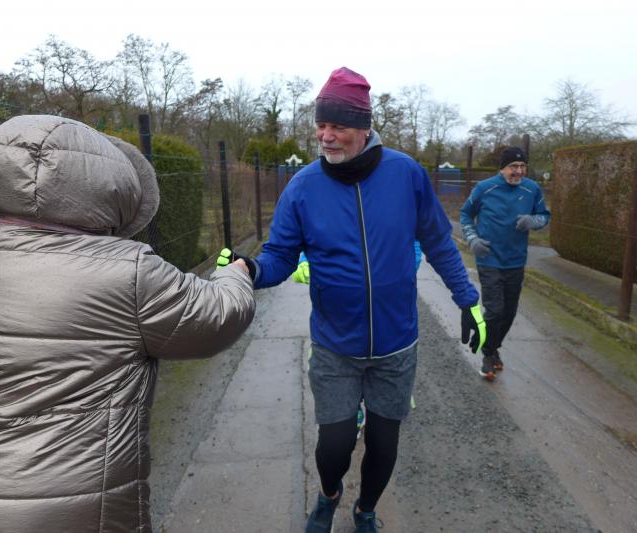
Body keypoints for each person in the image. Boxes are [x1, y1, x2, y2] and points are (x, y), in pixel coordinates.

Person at [0, 115, 256, 533]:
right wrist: (234, 274)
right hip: (67, 509)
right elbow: (217, 318)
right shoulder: (129, 269)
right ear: (107, 184)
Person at [219, 67, 485, 533]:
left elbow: (439, 242)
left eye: (338, 126)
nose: (326, 135)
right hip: (335, 346)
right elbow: (280, 255)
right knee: (334, 447)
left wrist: (467, 299)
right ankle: (329, 495)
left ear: (364, 128)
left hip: (396, 345)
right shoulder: (303, 187)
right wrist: (251, 269)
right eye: (321, 125)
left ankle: (365, 510)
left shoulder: (406, 174)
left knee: (384, 443)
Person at [459, 146, 551, 381]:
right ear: (502, 168)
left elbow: (544, 215)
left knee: (509, 313)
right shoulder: (484, 188)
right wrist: (472, 239)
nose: (518, 171)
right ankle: (488, 354)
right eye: (513, 167)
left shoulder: (532, 189)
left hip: (516, 260)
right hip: (489, 257)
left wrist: (533, 221)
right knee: (495, 310)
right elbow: (465, 214)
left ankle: (493, 346)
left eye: (522, 166)